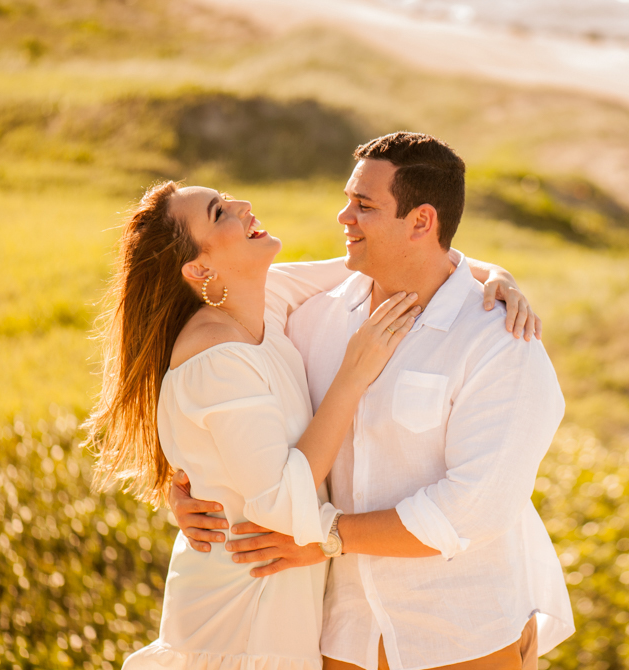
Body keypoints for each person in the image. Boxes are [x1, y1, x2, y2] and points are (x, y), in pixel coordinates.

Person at [83, 177, 537, 669]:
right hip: (243, 610)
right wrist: (353, 375)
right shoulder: (216, 353)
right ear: (198, 266)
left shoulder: (262, 303)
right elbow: (280, 505)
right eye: (218, 213)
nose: (243, 204)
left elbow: (384, 263)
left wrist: (495, 272)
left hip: (289, 608)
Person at [172, 133, 574, 670]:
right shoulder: (309, 318)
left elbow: (473, 508)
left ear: (421, 222)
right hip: (342, 638)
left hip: (464, 636)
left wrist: (329, 537)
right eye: (348, 198)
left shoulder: (501, 340)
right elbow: (225, 403)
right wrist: (187, 490)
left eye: (364, 206)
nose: (343, 216)